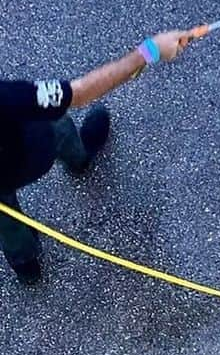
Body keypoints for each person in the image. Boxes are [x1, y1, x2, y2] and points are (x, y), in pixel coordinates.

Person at [0, 29, 195, 283]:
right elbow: (79, 92)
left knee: (6, 217)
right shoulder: (7, 97)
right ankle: (79, 160)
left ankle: (26, 265)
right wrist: (150, 50)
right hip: (36, 148)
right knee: (56, 122)